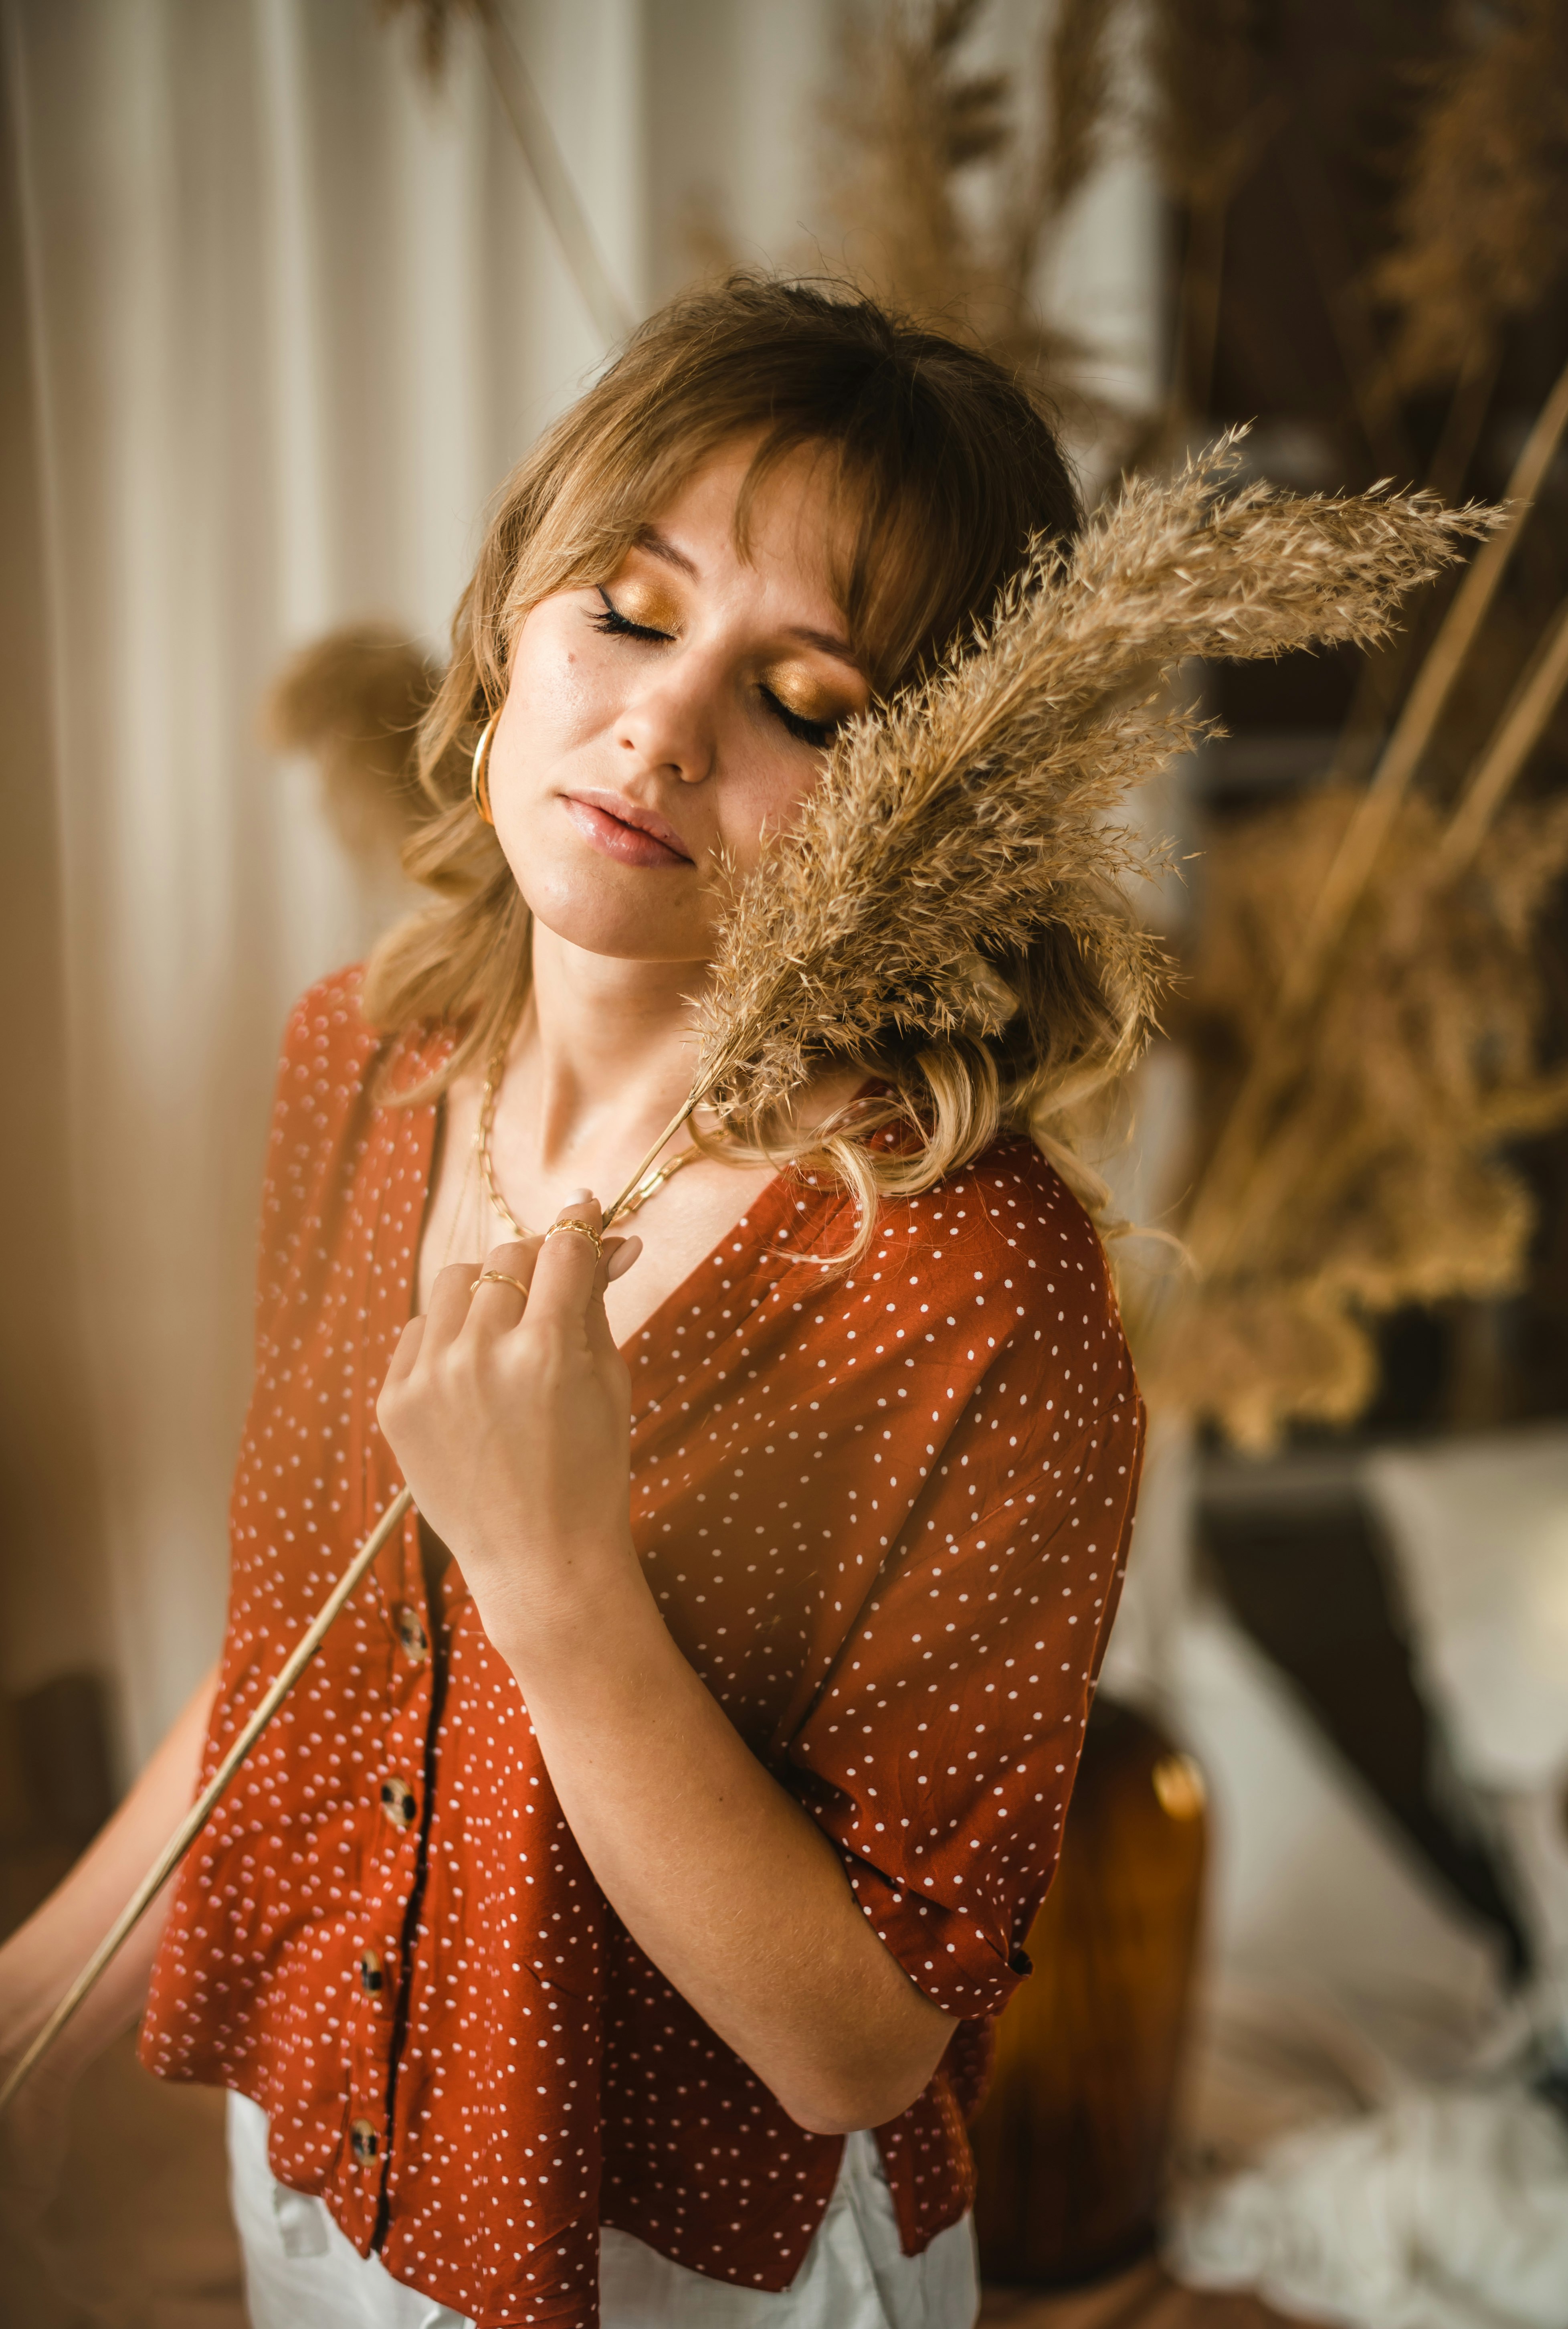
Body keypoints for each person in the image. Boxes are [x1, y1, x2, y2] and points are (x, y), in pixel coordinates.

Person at [0, 277, 1144, 2329]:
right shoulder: (356, 1057)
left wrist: (556, 1575)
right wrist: (29, 2009)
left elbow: (859, 2047)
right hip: (325, 2176)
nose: (665, 725)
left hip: (696, 2268)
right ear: (513, 612)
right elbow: (307, 1653)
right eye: (629, 605)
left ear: (941, 821)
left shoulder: (974, 1286)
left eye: (809, 702)